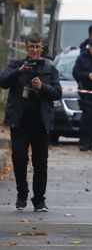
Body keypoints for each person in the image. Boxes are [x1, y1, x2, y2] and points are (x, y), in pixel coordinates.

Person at [2, 34, 61, 211]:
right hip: (19, 120)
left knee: (40, 162)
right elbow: (3, 82)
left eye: (37, 46)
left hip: (41, 121)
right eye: (31, 47)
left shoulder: (50, 68)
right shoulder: (15, 65)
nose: (34, 50)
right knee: (19, 158)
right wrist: (19, 71)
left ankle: (39, 199)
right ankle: (22, 192)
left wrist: (42, 87)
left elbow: (57, 93)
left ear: (42, 48)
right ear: (26, 48)